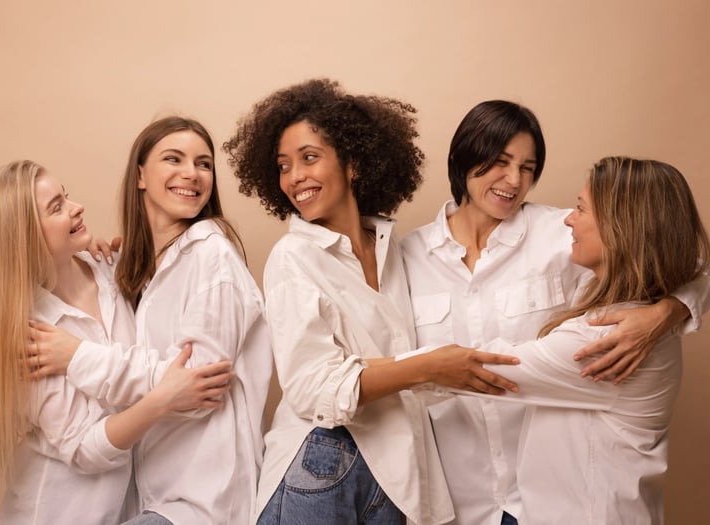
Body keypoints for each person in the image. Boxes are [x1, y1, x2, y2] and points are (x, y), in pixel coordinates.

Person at [223, 79, 521, 525]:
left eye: (309, 157)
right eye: (283, 165)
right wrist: (426, 367)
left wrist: (666, 305)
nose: (294, 177)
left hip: (397, 472)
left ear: (353, 163)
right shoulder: (294, 257)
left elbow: (393, 357)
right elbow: (311, 387)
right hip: (319, 463)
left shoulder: (392, 247)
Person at [402, 101, 710, 524]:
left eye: (528, 168)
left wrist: (669, 311)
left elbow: (675, 248)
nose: (514, 181)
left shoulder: (563, 231)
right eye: (500, 162)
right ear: (463, 158)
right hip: (459, 500)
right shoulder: (405, 258)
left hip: (547, 500)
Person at [29, 117, 273, 524]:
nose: (191, 174)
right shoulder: (140, 272)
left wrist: (77, 357)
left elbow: (197, 388)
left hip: (202, 503)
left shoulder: (211, 257)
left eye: (204, 164)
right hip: (154, 500)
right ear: (140, 174)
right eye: (173, 159)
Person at [0, 160, 231, 524]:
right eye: (57, 207)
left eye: (66, 197)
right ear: (23, 237)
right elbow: (86, 449)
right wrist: (163, 399)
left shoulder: (108, 270)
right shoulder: (28, 336)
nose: (77, 208)